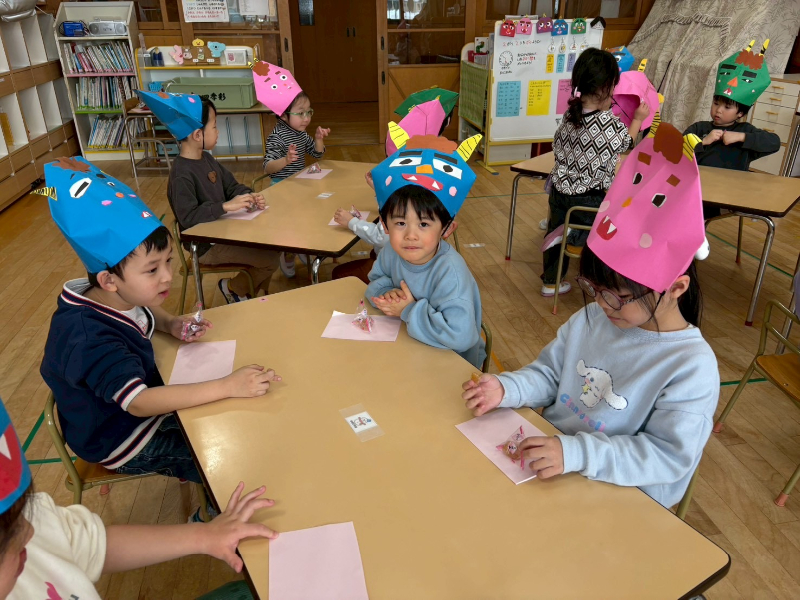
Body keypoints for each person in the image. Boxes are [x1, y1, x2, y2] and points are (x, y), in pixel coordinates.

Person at [462, 122, 718, 509]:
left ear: (675, 288)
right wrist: (507, 388)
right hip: (559, 465)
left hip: (622, 498)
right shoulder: (596, 318)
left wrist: (577, 454)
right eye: (594, 289)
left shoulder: (691, 367)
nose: (602, 304)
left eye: (618, 296)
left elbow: (667, 456)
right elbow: (550, 374)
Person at [38, 157, 281, 491]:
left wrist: (170, 324)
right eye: (152, 269)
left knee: (233, 420)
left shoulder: (115, 294)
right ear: (109, 280)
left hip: (137, 405)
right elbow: (139, 402)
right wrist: (228, 386)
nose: (167, 276)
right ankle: (211, 512)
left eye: (167, 261)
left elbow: (142, 311)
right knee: (226, 462)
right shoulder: (90, 337)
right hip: (124, 436)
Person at [0, 395, 275, 600]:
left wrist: (204, 536)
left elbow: (92, 544)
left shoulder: (26, 525)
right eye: (9, 539)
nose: (30, 532)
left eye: (25, 512)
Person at [139, 91, 280, 302]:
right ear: (198, 135)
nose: (218, 131)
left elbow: (231, 186)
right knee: (270, 259)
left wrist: (248, 196)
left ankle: (247, 294)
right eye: (214, 126)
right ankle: (233, 289)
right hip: (206, 246)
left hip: (224, 233)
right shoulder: (181, 175)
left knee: (273, 247)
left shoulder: (206, 159)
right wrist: (224, 207)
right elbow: (188, 217)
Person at [365, 132, 486, 369]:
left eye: (423, 224)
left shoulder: (450, 272)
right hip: (407, 348)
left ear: (447, 228)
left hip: (452, 365)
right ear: (385, 225)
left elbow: (462, 337)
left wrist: (408, 309)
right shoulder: (392, 251)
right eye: (400, 223)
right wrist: (388, 293)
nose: (410, 235)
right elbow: (374, 283)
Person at [542, 47, 649, 297]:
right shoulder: (608, 122)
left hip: (559, 192)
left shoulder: (570, 114)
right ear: (605, 88)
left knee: (554, 235)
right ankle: (582, 248)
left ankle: (550, 283)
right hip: (589, 199)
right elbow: (626, 143)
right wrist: (637, 119)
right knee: (611, 228)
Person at [683, 39, 780, 219]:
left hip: (728, 194)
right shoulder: (699, 128)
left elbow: (774, 143)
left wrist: (741, 137)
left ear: (740, 113)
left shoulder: (745, 131)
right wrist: (703, 142)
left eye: (727, 107)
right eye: (716, 103)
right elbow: (678, 153)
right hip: (697, 191)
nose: (718, 110)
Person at [252, 61, 330, 278]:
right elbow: (268, 167)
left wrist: (318, 139)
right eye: (300, 113)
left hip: (299, 186)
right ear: (283, 115)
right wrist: (285, 160)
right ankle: (287, 254)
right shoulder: (277, 136)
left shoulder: (301, 133)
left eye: (309, 112)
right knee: (289, 226)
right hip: (281, 189)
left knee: (306, 219)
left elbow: (316, 154)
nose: (307, 118)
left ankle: (302, 247)